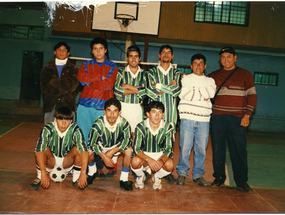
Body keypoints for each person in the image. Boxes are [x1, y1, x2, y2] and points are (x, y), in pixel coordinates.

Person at [208, 46, 257, 194]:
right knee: (217, 150)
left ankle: (242, 182)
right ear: (220, 59)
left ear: (235, 58)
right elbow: (199, 83)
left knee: (239, 151)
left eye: (229, 56)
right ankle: (219, 178)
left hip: (238, 119)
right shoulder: (213, 76)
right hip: (217, 117)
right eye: (223, 57)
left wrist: (247, 115)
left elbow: (252, 96)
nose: (226, 60)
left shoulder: (245, 74)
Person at [77, 37, 118, 178]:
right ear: (92, 51)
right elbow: (82, 80)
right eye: (95, 49)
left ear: (105, 50)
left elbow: (108, 85)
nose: (98, 51)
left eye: (101, 48)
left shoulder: (113, 66)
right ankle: (89, 167)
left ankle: (99, 167)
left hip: (102, 108)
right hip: (84, 107)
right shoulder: (86, 64)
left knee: (100, 140)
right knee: (84, 139)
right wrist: (100, 77)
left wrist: (91, 81)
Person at [175, 54, 216, 186]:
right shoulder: (185, 78)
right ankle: (182, 173)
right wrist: (201, 93)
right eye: (195, 63)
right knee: (185, 147)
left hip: (204, 119)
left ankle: (198, 175)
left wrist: (194, 91)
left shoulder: (210, 81)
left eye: (201, 63)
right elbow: (184, 94)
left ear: (205, 66)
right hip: (187, 117)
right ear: (191, 66)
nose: (198, 66)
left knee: (201, 149)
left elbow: (210, 94)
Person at [28, 107, 88, 191]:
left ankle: (76, 178)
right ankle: (39, 178)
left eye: (66, 120)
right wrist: (43, 173)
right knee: (42, 148)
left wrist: (83, 172)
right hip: (51, 161)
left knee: (79, 148)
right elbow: (39, 151)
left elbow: (84, 151)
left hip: (66, 162)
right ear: (55, 119)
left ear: (71, 121)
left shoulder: (75, 130)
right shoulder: (47, 129)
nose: (63, 124)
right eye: (60, 120)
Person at [145, 45, 181, 184]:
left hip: (171, 115)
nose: (166, 55)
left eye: (169, 53)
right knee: (151, 141)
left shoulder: (177, 74)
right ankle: (148, 170)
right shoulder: (151, 72)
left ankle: (166, 172)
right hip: (154, 115)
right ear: (159, 55)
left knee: (169, 144)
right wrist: (168, 87)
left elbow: (176, 91)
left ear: (172, 56)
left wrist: (158, 86)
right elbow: (150, 91)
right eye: (163, 52)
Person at [86, 98, 133, 191]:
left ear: (119, 112)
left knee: (129, 150)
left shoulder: (124, 123)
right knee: (89, 151)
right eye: (109, 110)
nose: (112, 114)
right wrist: (104, 156)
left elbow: (127, 140)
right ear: (104, 112)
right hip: (101, 147)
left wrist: (111, 152)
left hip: (116, 147)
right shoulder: (98, 124)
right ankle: (92, 172)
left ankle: (123, 179)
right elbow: (92, 143)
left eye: (115, 111)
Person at [131, 101, 175, 190]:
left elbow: (169, 149)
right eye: (154, 112)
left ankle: (157, 177)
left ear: (163, 114)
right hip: (145, 156)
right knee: (134, 161)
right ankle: (140, 176)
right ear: (148, 114)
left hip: (160, 155)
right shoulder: (140, 127)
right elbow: (136, 149)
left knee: (170, 164)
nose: (157, 115)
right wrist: (149, 160)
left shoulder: (168, 127)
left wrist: (161, 161)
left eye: (160, 112)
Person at [40, 41, 79, 125]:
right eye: (59, 49)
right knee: (50, 133)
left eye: (64, 50)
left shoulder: (74, 69)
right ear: (54, 52)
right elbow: (45, 89)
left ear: (68, 53)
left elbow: (72, 86)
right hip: (50, 107)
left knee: (68, 134)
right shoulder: (46, 69)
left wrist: (53, 81)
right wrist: (64, 89)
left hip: (68, 107)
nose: (61, 51)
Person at [114, 45, 146, 139]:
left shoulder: (144, 74)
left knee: (135, 136)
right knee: (121, 136)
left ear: (139, 58)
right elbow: (117, 91)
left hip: (137, 108)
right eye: (131, 56)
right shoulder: (121, 72)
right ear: (127, 58)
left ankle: (134, 154)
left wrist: (127, 86)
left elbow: (144, 92)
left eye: (136, 56)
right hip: (123, 107)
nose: (133, 59)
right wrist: (137, 90)